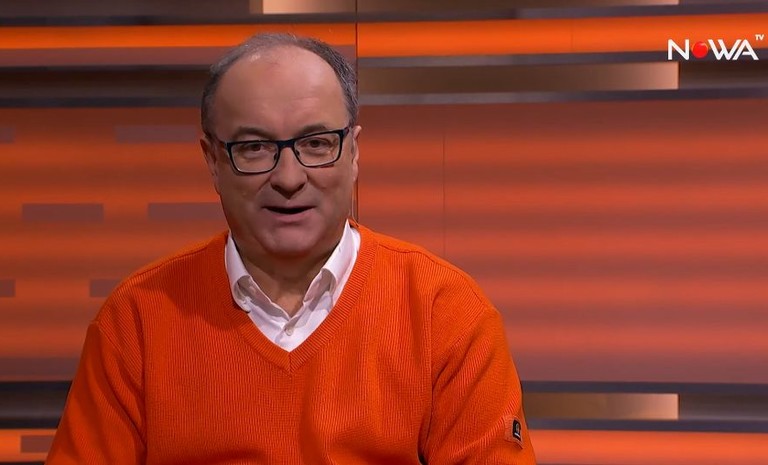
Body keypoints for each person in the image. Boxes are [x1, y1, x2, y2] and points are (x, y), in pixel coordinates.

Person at [47, 32, 537, 464]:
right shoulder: (136, 319)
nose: (288, 177)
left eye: (317, 143)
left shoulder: (444, 312)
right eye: (254, 148)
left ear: (354, 152)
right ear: (213, 161)